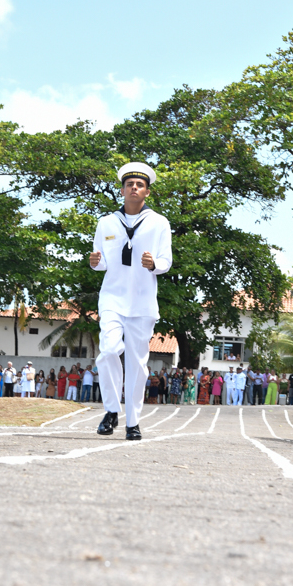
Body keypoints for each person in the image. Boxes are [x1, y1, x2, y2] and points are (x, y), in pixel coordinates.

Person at [90, 161, 172, 440]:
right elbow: (100, 260)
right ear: (122, 190)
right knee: (109, 351)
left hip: (142, 302)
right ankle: (111, 410)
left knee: (137, 364)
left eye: (139, 185)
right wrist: (95, 263)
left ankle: (132, 422)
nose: (134, 188)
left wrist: (154, 264)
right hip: (112, 297)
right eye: (129, 184)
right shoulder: (106, 222)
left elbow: (166, 261)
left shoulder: (159, 222)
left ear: (147, 192)